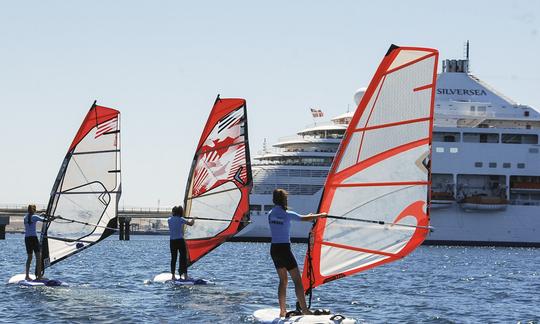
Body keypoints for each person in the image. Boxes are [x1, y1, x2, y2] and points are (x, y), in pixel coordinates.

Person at [268, 189, 327, 317]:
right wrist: (320, 215)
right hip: (284, 249)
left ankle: (282, 311)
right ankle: (305, 309)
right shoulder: (287, 214)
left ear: (274, 200)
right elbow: (304, 219)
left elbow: (301, 218)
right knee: (297, 281)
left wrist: (310, 216)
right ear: (284, 200)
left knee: (282, 281)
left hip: (274, 249)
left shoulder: (270, 214)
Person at [168, 205, 194, 280]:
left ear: (173, 212)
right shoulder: (181, 219)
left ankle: (173, 276)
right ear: (180, 212)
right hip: (180, 241)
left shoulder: (169, 219)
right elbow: (191, 224)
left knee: (173, 258)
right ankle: (184, 275)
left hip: (172, 241)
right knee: (183, 258)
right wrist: (193, 219)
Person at [23, 204, 45, 281]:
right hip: (33, 238)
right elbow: (45, 220)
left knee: (29, 258)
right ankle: (39, 276)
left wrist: (40, 215)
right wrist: (55, 217)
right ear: (34, 210)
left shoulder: (25, 217)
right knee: (38, 258)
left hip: (27, 239)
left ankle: (27, 276)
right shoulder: (35, 217)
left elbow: (32, 218)